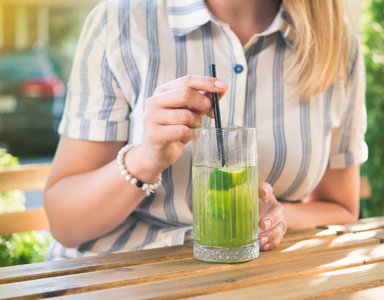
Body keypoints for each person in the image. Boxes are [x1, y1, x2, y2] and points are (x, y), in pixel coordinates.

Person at [44, 0, 367, 260]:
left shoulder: (335, 44)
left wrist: (275, 220)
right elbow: (66, 224)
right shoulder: (120, 22)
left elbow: (340, 208)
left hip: (255, 278)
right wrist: (146, 158)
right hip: (117, 275)